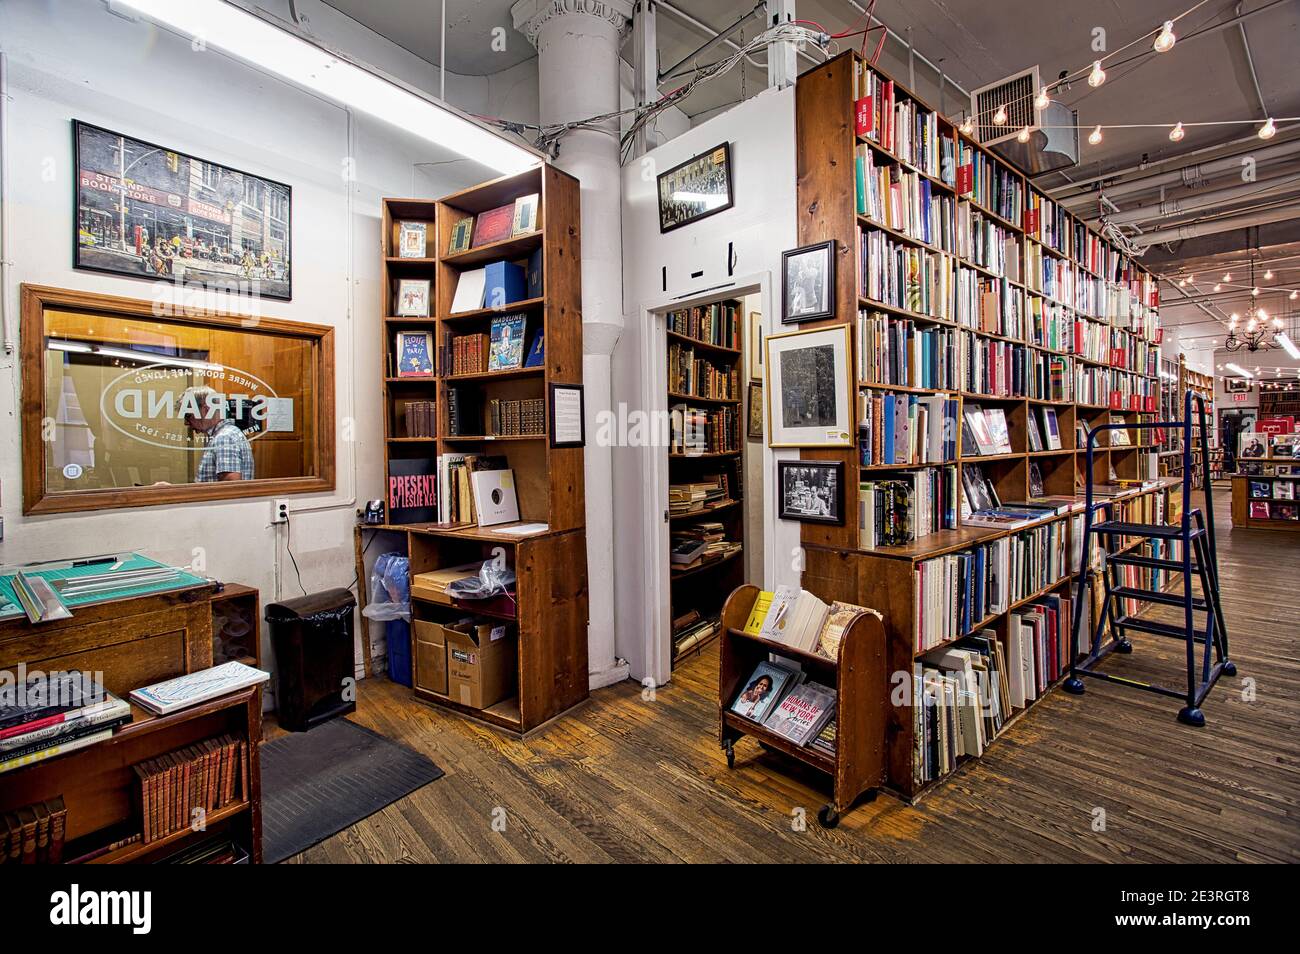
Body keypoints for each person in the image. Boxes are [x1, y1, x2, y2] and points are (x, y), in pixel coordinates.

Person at [181, 386, 254, 481]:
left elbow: (230, 488)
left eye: (188, 415)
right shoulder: (225, 434)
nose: (186, 423)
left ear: (206, 410)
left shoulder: (224, 438)